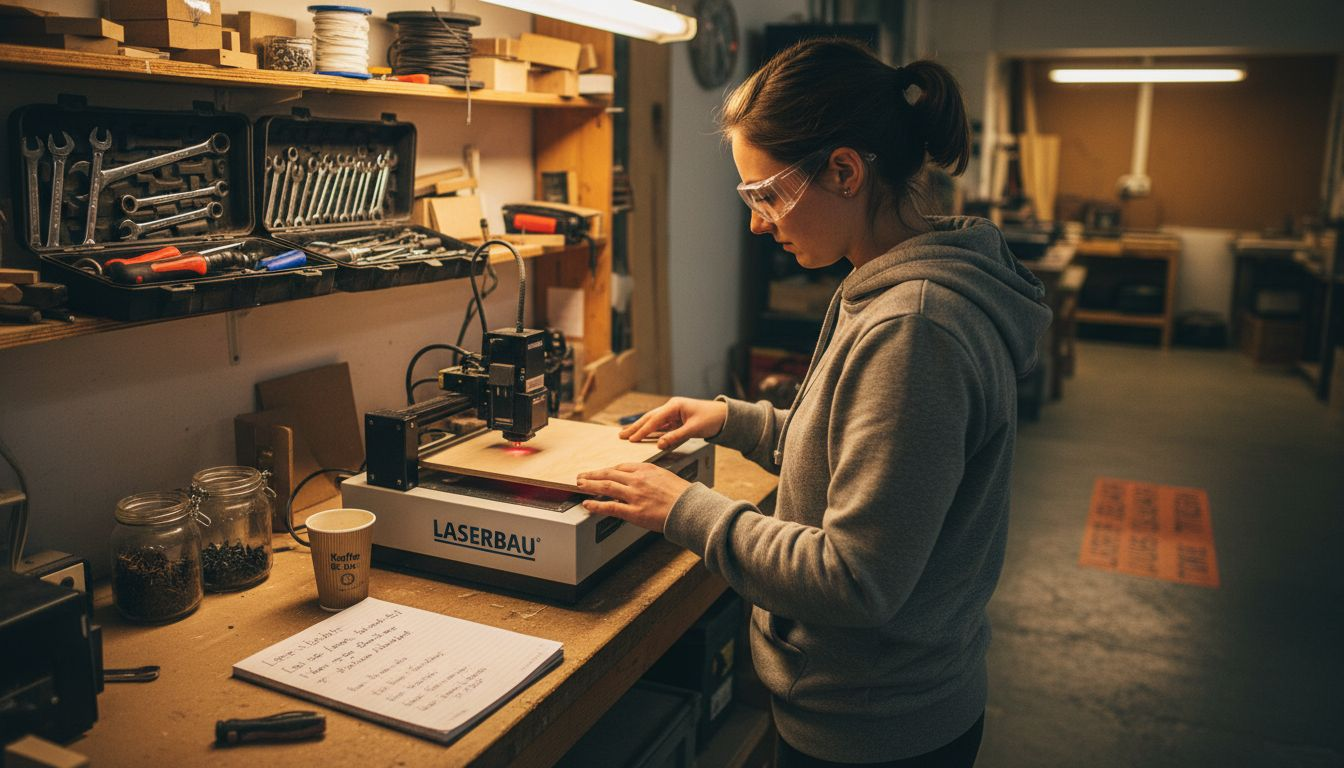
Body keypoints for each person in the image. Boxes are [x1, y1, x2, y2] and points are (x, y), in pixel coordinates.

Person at [576, 38, 1051, 768]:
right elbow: (861, 454)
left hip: (876, 731)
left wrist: (682, 508)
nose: (759, 223)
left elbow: (854, 579)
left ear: (844, 170)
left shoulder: (914, 328)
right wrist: (735, 420)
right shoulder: (888, 285)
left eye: (767, 195)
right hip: (875, 705)